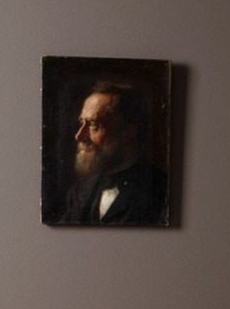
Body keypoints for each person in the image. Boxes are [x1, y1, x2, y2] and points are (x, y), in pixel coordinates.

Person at [61, 82, 168, 225]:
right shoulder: (80, 191)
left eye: (94, 124)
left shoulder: (162, 191)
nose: (79, 135)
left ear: (129, 131)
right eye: (82, 123)